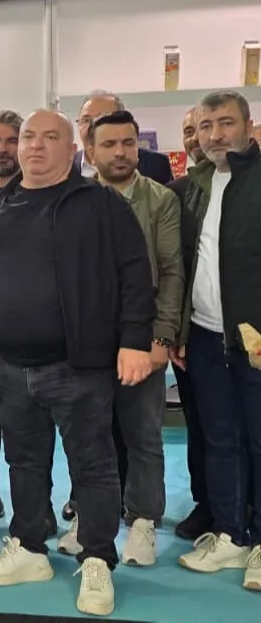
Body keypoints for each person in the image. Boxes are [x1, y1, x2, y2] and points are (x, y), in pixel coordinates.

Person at [0, 109, 154, 617]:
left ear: (73, 148)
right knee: (23, 462)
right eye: (28, 137)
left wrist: (135, 340)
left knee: (93, 464)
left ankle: (98, 558)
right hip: (9, 367)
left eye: (49, 137)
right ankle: (30, 548)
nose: (35, 146)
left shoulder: (99, 204)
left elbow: (135, 273)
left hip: (78, 367)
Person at [63, 110, 183, 567]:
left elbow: (170, 272)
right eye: (109, 144)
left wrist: (162, 336)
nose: (120, 152)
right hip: (87, 342)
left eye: (128, 143)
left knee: (143, 435)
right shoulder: (74, 200)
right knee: (87, 435)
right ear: (90, 151)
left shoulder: (160, 200)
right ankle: (90, 519)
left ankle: (143, 521)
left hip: (143, 337)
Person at [174, 91, 261, 592]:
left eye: (226, 123)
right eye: (205, 126)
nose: (215, 135)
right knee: (220, 441)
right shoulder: (194, 187)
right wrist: (181, 330)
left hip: (255, 342)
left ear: (248, 126)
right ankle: (231, 534)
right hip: (206, 337)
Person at [167, 108, 210, 541]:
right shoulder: (175, 194)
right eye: (190, 130)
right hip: (192, 332)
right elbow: (172, 269)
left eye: (208, 127)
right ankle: (207, 503)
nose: (198, 137)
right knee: (200, 422)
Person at [73, 90, 173, 184]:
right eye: (86, 120)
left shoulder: (156, 164)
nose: (91, 127)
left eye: (102, 119)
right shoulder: (68, 167)